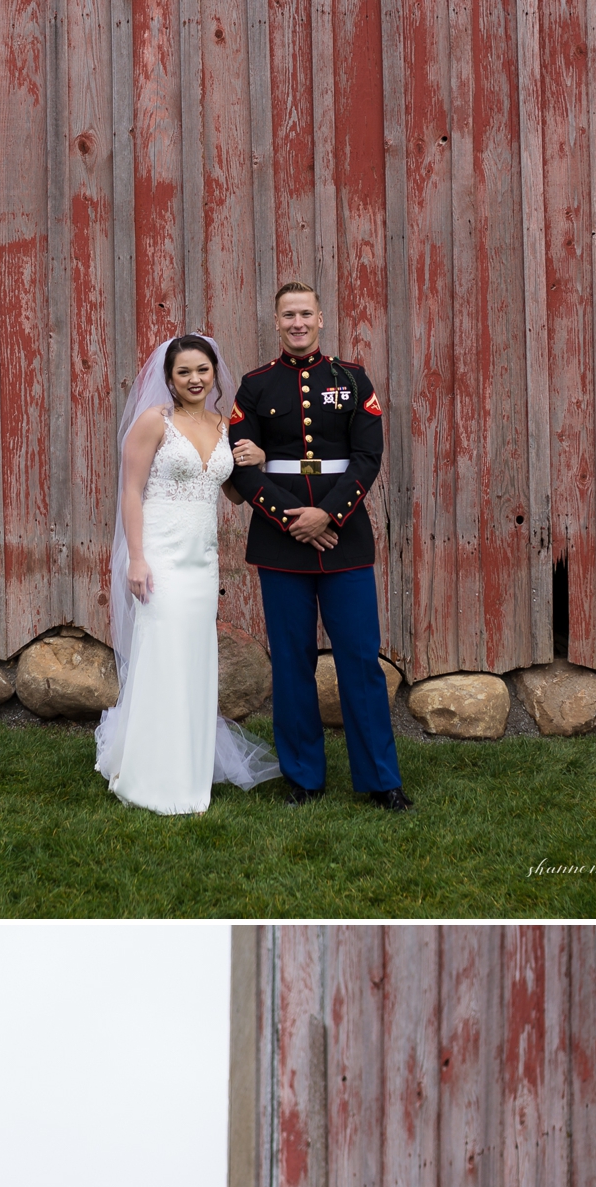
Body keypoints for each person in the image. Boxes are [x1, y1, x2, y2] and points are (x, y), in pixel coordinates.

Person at [226, 283, 411, 810]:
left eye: (306, 313)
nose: (298, 322)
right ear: (277, 321)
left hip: (344, 538)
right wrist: (293, 520)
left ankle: (381, 779)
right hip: (280, 544)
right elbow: (241, 464)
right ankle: (303, 777)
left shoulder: (352, 380)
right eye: (289, 314)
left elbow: (367, 457)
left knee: (359, 660)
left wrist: (327, 514)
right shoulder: (255, 386)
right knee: (291, 662)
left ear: (321, 318)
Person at [93, 332, 279, 813]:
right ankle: (151, 774)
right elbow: (130, 492)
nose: (195, 379)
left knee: (192, 659)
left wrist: (261, 458)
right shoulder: (155, 421)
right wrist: (136, 557)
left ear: (214, 373)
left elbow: (234, 493)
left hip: (201, 559)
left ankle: (188, 765)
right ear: (169, 379)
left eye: (202, 370)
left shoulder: (222, 426)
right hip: (159, 553)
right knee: (163, 656)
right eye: (184, 372)